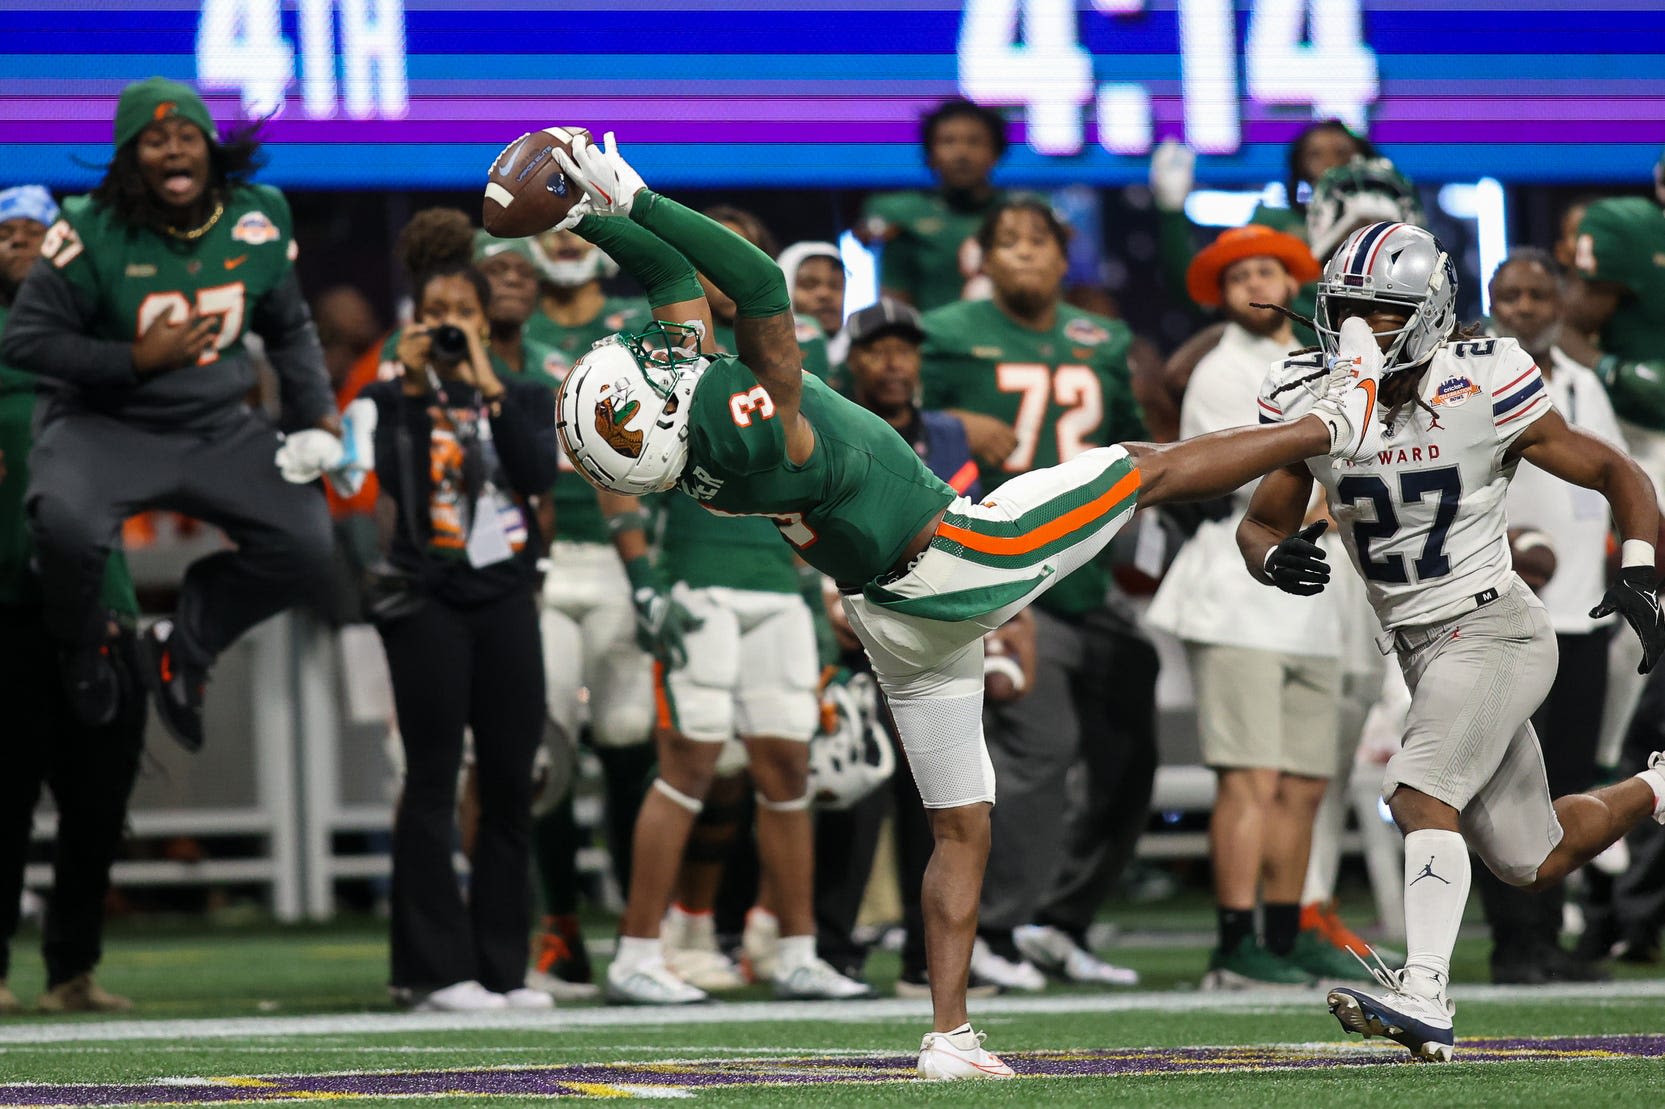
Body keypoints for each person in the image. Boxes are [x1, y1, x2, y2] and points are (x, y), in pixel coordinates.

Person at [549, 129, 1381, 1079]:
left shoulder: (691, 435)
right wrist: (640, 196)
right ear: (665, 409)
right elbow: (758, 286)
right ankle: (1333, 420)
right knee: (1142, 470)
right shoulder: (745, 429)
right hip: (957, 557)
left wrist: (596, 217)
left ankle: (948, 1035)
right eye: (648, 370)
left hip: (892, 613)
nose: (654, 353)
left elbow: (672, 292)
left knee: (960, 820)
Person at [1239, 221, 1665, 1063]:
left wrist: (1643, 568)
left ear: (1430, 314)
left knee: (1417, 795)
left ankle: (1424, 991)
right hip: (1417, 645)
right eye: (1346, 308)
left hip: (1495, 627)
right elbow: (1259, 521)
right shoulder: (1314, 392)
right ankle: (1660, 787)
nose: (1358, 328)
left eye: (1381, 311)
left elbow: (1619, 471)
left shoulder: (1483, 379)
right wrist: (1270, 557)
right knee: (1528, 858)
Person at [0, 77, 337, 751]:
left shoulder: (259, 215)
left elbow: (290, 326)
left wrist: (315, 415)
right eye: (154, 140)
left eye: (186, 136)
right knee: (64, 523)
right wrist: (133, 358)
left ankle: (187, 643)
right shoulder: (87, 228)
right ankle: (83, 641)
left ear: (210, 147)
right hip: (108, 423)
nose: (174, 151)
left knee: (307, 545)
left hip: (216, 425)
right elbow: (26, 340)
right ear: (130, 157)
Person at [920, 197, 1148, 992]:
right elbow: (883, 422)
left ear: (1063, 254)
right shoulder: (942, 333)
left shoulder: (1103, 340)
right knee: (1039, 749)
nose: (1021, 253)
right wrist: (945, 420)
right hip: (1008, 572)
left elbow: (1135, 446)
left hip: (1089, 573)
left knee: (1127, 754)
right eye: (1004, 240)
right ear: (981, 258)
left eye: (1036, 240)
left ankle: (1060, 918)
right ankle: (997, 925)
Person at [342, 208, 562, 1013]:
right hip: (426, 597)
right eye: (437, 317)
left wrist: (490, 385)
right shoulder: (388, 399)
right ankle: (433, 968)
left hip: (505, 592)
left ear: (485, 318)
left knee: (509, 781)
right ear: (413, 322)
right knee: (433, 779)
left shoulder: (524, 393)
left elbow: (539, 477)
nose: (450, 329)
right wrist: (405, 392)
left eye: (463, 316)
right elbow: (391, 486)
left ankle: (504, 966)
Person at [1146, 224, 1365, 988]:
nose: (1254, 286)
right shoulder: (1218, 370)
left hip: (1311, 592)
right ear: (1220, 291)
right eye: (1237, 276)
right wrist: (1336, 502)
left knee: (1306, 780)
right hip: (1237, 587)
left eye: (1267, 271)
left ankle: (1286, 929)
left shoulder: (1322, 363)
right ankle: (1235, 941)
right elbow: (1240, 476)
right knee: (1250, 776)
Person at [0, 185, 146, 1015]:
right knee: (4, 800)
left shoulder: (95, 335)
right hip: (7, 600)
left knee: (97, 800)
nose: (21, 244)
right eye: (7, 232)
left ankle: (72, 969)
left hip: (98, 594)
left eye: (36, 232)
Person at [812, 297, 982, 991]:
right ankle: (830, 945)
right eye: (876, 349)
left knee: (938, 798)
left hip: (927, 631)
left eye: (903, 348)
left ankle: (922, 954)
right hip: (849, 631)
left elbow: (969, 524)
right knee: (851, 790)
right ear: (851, 360)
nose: (891, 361)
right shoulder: (826, 426)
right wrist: (828, 598)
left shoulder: (945, 436)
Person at [1483, 249, 1623, 983]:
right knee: (1503, 784)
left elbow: (1607, 477)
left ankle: (1546, 933)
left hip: (1581, 614)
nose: (1526, 307)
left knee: (1565, 779)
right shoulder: (1466, 382)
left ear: (1561, 299)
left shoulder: (1580, 386)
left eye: (1539, 294)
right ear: (1490, 302)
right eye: (1510, 295)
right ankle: (1512, 940)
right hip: (1501, 616)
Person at [857, 98, 1009, 312]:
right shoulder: (899, 214)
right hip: (928, 341)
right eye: (948, 141)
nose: (962, 153)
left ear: (996, 152)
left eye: (975, 141)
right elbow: (893, 301)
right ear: (930, 154)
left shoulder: (1027, 215)